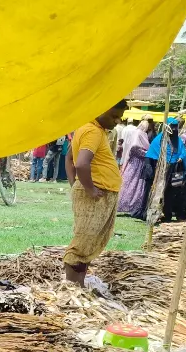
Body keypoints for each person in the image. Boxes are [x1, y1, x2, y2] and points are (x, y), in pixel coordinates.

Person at [63, 100, 128, 286]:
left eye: (120, 117)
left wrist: (76, 185)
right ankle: (72, 286)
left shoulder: (94, 130)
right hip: (95, 193)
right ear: (100, 109)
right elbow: (81, 163)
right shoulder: (92, 131)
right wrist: (88, 188)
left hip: (98, 192)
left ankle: (79, 284)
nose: (117, 121)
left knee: (90, 242)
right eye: (114, 116)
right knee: (83, 242)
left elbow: (69, 158)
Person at [145, 117, 186, 222]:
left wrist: (181, 158)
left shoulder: (178, 140)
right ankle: (154, 214)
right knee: (158, 192)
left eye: (175, 127)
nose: (173, 130)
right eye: (171, 127)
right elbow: (151, 154)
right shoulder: (159, 140)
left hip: (175, 170)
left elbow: (183, 152)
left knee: (172, 192)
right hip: (160, 170)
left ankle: (168, 214)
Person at [117, 118, 153, 218]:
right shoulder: (139, 134)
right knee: (133, 184)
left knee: (131, 183)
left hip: (134, 163)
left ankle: (131, 205)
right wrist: (148, 153)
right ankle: (127, 204)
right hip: (136, 164)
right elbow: (135, 147)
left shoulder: (138, 133)